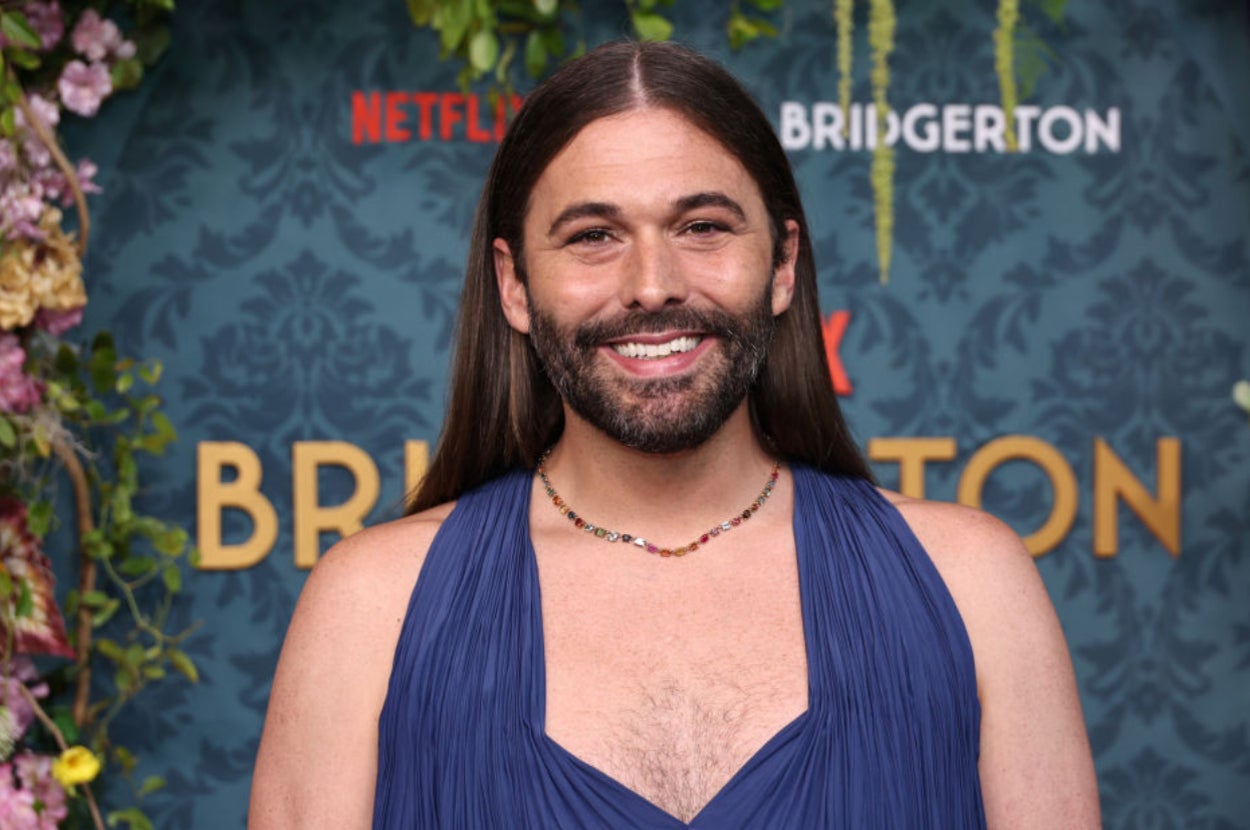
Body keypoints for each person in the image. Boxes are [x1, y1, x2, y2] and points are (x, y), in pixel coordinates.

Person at [249, 40, 1100, 829]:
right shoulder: (370, 608)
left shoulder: (973, 584)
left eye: (702, 227)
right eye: (592, 237)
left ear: (782, 265)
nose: (652, 285)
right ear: (513, 286)